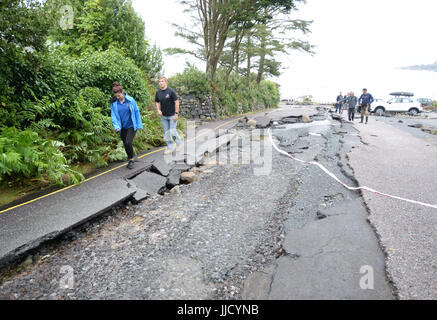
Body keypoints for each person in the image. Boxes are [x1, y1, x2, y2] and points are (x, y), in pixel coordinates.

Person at [110, 82, 143, 169]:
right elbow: (113, 116)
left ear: (122, 92)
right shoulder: (114, 103)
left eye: (118, 95)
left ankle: (131, 160)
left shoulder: (130, 100)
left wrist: (139, 125)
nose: (117, 97)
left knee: (128, 142)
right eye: (116, 96)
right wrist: (116, 126)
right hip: (122, 127)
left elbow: (136, 112)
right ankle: (130, 157)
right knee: (125, 143)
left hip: (131, 125)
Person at [155, 76, 182, 155]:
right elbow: (157, 102)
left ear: (166, 82)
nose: (161, 83)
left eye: (162, 81)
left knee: (172, 131)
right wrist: (158, 110)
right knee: (166, 132)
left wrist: (176, 114)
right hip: (164, 116)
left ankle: (179, 144)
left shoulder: (171, 91)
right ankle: (170, 147)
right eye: (160, 81)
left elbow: (176, 102)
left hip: (172, 115)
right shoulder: (158, 92)